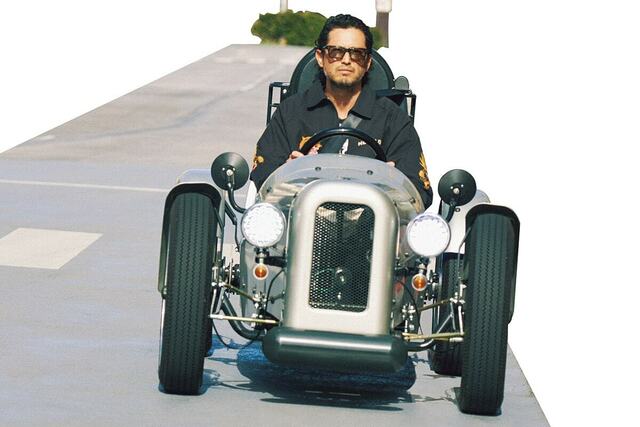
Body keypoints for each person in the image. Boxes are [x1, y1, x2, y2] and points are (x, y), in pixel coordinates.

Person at [250, 14, 433, 208]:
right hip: (301, 219)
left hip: (373, 223)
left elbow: (419, 192)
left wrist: (393, 184)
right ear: (320, 57)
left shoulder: (393, 118)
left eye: (357, 53)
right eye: (336, 52)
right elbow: (263, 179)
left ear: (368, 62)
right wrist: (287, 172)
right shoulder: (290, 111)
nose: (346, 60)